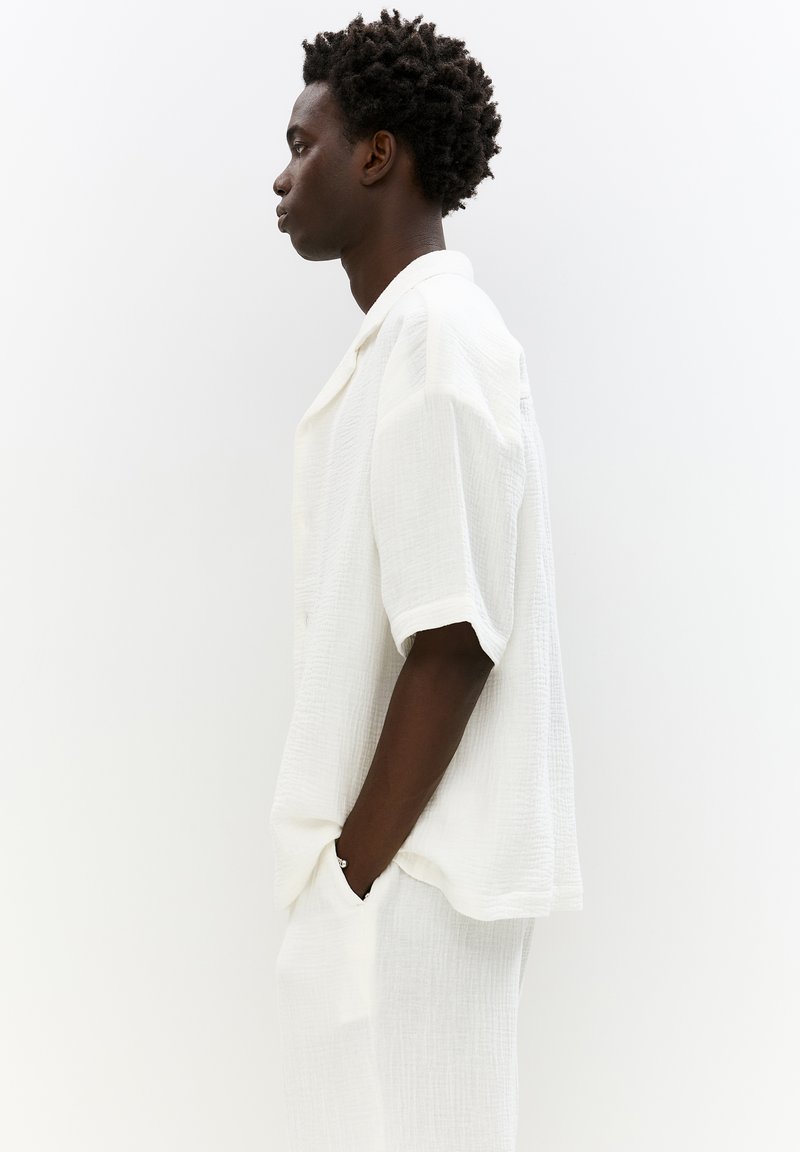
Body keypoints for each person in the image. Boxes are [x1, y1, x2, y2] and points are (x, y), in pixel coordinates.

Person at [269, 10, 583, 1151]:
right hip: (406, 879)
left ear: (376, 154)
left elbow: (451, 642)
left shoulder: (439, 338)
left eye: (303, 143)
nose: (282, 176)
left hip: (419, 888)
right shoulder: (410, 338)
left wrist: (352, 878)